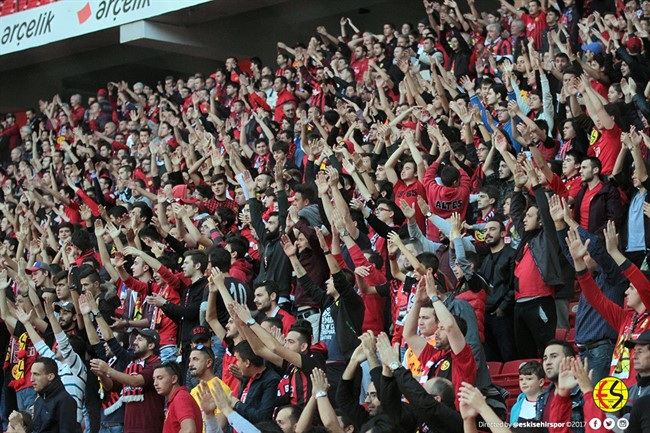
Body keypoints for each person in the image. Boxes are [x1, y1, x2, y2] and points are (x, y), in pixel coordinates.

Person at [31, 357, 81, 433]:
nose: (31, 379)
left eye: (36, 374)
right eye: (31, 374)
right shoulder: (39, 400)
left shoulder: (65, 401)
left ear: (50, 376)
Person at [152, 361, 203, 433]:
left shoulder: (180, 398)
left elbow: (189, 430)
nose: (155, 383)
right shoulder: (177, 398)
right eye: (154, 379)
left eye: (160, 378)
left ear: (174, 379)